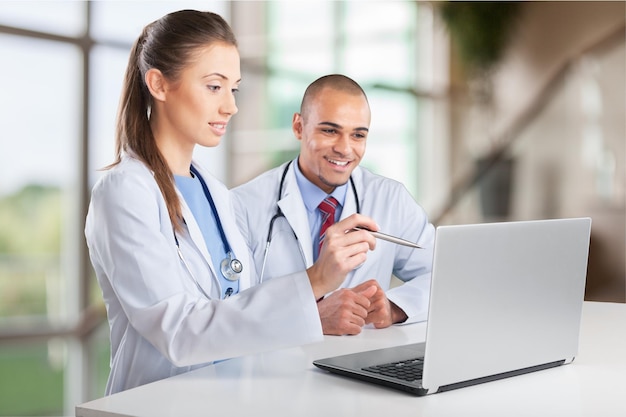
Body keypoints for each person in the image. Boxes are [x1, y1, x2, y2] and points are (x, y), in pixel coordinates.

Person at [84, 11, 378, 395]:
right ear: (158, 83)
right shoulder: (124, 193)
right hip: (157, 401)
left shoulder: (218, 195)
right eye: (213, 87)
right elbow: (180, 332)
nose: (230, 107)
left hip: (231, 399)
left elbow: (240, 312)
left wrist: (315, 308)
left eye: (233, 89)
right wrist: (314, 280)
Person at [232, 74, 435, 336]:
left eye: (358, 135)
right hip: (273, 363)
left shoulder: (390, 199)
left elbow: (444, 275)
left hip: (359, 364)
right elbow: (227, 311)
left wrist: (395, 307)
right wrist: (307, 317)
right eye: (330, 130)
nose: (344, 149)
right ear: (298, 127)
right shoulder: (243, 205)